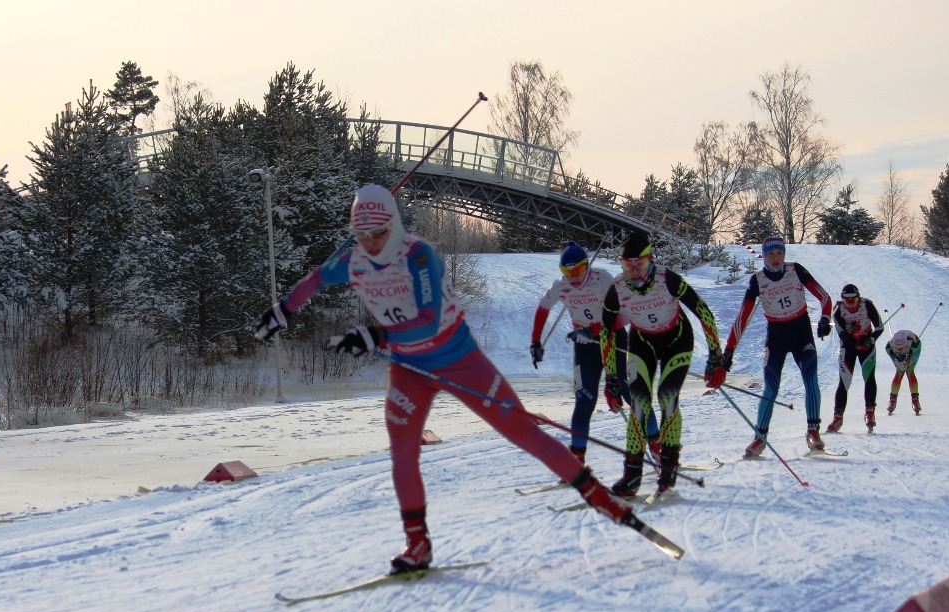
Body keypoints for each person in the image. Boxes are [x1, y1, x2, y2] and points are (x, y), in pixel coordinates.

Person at [255, 184, 632, 573]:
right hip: (409, 370)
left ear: (393, 225)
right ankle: (417, 543)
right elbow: (317, 277)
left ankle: (601, 498)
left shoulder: (419, 256)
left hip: (458, 359)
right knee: (403, 452)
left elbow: (428, 319)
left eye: (378, 233)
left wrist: (374, 335)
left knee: (522, 431)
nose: (370, 243)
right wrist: (284, 309)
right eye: (361, 234)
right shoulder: (355, 261)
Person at [600, 232, 723, 497]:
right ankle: (632, 474)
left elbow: (703, 313)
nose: (634, 271)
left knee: (667, 398)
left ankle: (669, 464)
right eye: (627, 265)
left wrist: (715, 356)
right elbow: (606, 333)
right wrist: (611, 378)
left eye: (640, 263)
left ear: (651, 259)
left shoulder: (668, 279)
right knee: (639, 404)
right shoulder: (618, 288)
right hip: (642, 342)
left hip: (677, 340)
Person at [529, 241, 660, 464]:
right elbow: (543, 308)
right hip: (586, 348)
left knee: (631, 394)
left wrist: (593, 329)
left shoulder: (602, 279)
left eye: (578, 270)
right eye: (567, 272)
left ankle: (658, 447)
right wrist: (535, 342)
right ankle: (577, 461)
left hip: (614, 340)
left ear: (587, 265)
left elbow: (624, 316)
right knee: (584, 401)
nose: (573, 277)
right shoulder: (561, 286)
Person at [721, 235, 833, 457]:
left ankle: (813, 431)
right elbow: (742, 318)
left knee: (810, 380)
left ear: (784, 254)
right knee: (770, 388)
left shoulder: (796, 270)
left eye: (779, 252)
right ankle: (759, 438)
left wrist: (825, 318)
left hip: (802, 334)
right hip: (777, 337)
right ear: (764, 255)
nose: (775, 258)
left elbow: (824, 297)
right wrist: (729, 350)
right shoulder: (758, 280)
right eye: (770, 253)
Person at [827, 283, 884, 433]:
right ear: (842, 300)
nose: (851, 303)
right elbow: (842, 333)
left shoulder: (867, 305)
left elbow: (880, 327)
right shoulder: (838, 309)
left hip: (867, 346)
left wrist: (870, 339)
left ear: (859, 298)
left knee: (869, 377)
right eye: (847, 300)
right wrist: (856, 343)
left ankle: (870, 413)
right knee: (844, 382)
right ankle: (838, 418)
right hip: (849, 346)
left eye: (854, 300)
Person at [885, 329, 922, 415]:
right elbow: (892, 355)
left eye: (902, 348)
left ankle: (915, 401)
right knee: (899, 371)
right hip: (902, 348)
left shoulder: (914, 344)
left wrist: (907, 362)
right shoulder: (889, 347)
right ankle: (892, 401)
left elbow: (913, 355)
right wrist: (896, 361)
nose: (900, 349)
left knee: (909, 370)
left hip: (913, 351)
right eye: (898, 348)